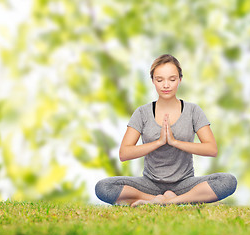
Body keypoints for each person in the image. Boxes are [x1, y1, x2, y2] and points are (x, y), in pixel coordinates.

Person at [95, 54, 237, 207]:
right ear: (153, 81)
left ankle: (168, 201)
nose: (166, 85)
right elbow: (124, 153)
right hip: (149, 184)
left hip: (184, 184)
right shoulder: (142, 113)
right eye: (160, 80)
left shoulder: (193, 111)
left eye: (172, 79)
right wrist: (159, 142)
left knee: (228, 181)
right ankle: (156, 199)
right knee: (103, 187)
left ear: (180, 80)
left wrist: (175, 142)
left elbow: (211, 149)